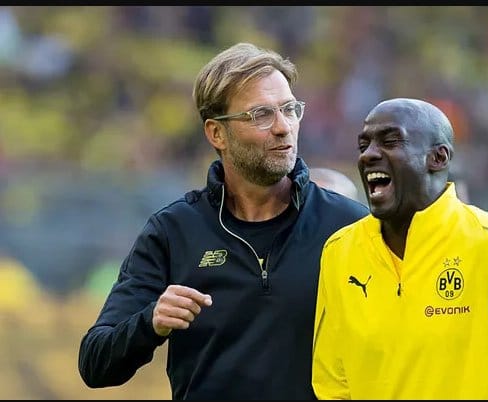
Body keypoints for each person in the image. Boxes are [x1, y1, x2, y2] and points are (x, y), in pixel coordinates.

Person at [78, 42, 369, 400]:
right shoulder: (174, 231)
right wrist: (150, 322)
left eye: (290, 109)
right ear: (217, 133)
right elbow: (95, 363)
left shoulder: (350, 225)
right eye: (261, 114)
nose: (283, 127)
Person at [311, 98, 488, 399]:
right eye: (363, 145)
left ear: (438, 158)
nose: (369, 155)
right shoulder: (339, 252)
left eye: (390, 141)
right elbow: (333, 384)